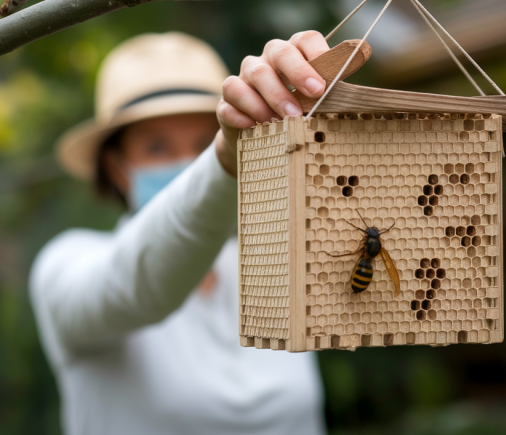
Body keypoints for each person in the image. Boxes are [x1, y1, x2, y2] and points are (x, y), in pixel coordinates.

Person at [30, 30, 332, 434]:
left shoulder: (276, 263)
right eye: (157, 147)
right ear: (117, 167)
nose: (189, 163)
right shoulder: (66, 264)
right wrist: (223, 156)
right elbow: (142, 287)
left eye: (203, 142)